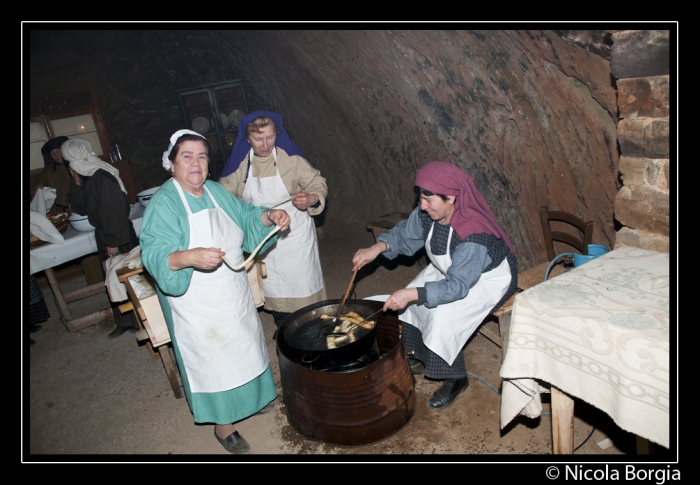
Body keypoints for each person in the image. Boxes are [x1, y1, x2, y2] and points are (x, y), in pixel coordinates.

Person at [139, 129, 291, 454]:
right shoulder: (165, 202)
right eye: (187, 156)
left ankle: (254, 399)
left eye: (202, 156)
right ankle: (224, 427)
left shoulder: (214, 191)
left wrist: (268, 215)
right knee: (215, 361)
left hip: (231, 293)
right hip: (197, 303)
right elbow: (152, 252)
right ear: (171, 163)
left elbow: (246, 215)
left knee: (245, 346)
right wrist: (189, 257)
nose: (196, 163)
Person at [352, 161, 517, 411]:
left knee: (442, 319)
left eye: (429, 200)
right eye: (421, 198)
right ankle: (421, 354)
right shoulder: (428, 213)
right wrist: (377, 248)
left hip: (486, 279)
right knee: (411, 308)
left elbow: (458, 286)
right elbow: (405, 234)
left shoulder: (473, 235)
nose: (422, 205)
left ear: (451, 197)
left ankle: (455, 378)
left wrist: (412, 294)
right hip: (451, 269)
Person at [218, 111, 328, 337]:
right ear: (247, 139)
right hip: (262, 235)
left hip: (294, 233)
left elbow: (317, 181)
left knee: (302, 281)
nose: (265, 144)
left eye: (270, 137)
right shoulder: (240, 167)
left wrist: (311, 198)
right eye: (259, 139)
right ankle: (285, 327)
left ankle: (312, 325)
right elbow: (224, 200)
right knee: (274, 285)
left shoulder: (290, 160)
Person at [62, 138, 140, 339]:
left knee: (126, 276)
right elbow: (80, 208)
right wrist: (77, 182)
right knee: (113, 279)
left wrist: (112, 241)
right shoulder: (87, 176)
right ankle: (125, 321)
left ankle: (140, 317)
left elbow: (116, 212)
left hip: (117, 234)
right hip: (106, 234)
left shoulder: (102, 178)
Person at [36, 136, 72, 211]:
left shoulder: (75, 166)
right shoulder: (47, 172)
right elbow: (40, 190)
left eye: (58, 151)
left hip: (80, 208)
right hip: (60, 211)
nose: (56, 155)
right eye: (52, 153)